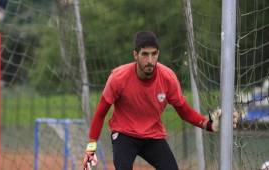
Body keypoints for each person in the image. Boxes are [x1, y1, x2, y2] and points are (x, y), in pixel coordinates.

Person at [82, 31, 238, 170]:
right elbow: (101, 112)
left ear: (158, 54)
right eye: (144, 54)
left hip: (152, 136)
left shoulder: (168, 77)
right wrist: (91, 147)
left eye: (154, 54)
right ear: (135, 55)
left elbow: (183, 110)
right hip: (124, 134)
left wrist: (208, 124)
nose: (150, 60)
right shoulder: (118, 78)